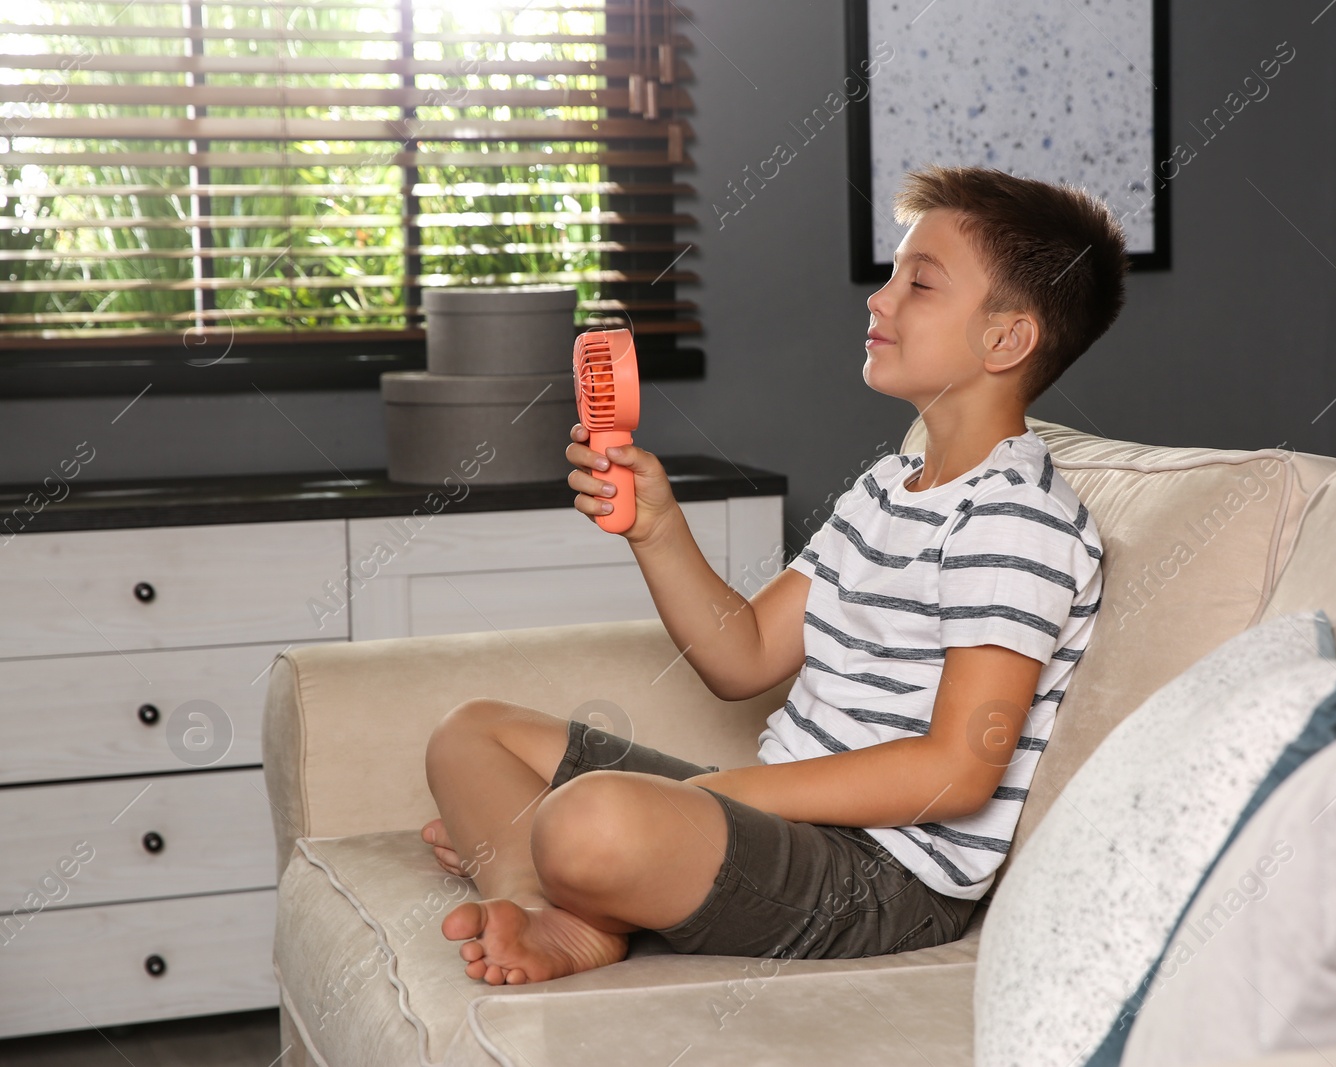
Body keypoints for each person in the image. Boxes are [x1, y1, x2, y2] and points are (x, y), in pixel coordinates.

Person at [421, 163, 1127, 984]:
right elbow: (743, 656)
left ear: (1006, 339)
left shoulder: (1017, 520)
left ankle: (559, 876)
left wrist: (729, 791)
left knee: (586, 821)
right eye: (892, 274)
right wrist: (656, 527)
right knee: (469, 733)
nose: (880, 297)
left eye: (920, 284)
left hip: (883, 873)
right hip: (781, 811)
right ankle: (537, 899)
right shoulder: (886, 490)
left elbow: (956, 770)